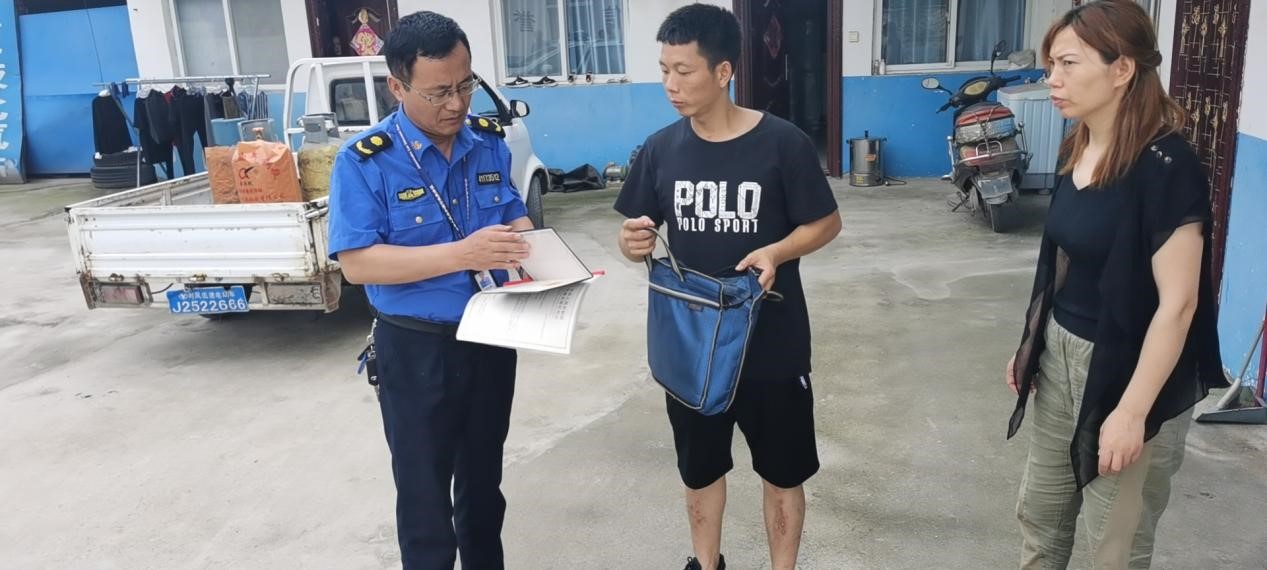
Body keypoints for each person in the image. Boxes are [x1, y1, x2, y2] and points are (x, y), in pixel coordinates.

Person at [614, 5, 842, 570]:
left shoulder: (782, 144)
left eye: (684, 71)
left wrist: (778, 251)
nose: (671, 85)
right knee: (700, 471)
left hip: (772, 342)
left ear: (722, 72)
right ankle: (705, 562)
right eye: (664, 70)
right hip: (693, 347)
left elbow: (826, 223)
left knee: (783, 474)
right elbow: (635, 231)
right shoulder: (660, 149)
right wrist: (631, 242)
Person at [1004, 2, 1223, 568]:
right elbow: (1064, 258)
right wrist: (1032, 340)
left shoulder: (1167, 167)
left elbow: (1179, 305)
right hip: (1061, 356)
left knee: (1114, 544)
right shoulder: (1077, 146)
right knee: (1041, 518)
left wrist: (1131, 412)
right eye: (1051, 65)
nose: (1052, 79)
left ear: (1122, 68)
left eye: (1068, 64)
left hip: (1133, 367)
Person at [326, 11, 533, 569]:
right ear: (397, 87)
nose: (456, 104)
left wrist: (544, 259)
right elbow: (358, 264)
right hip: (416, 349)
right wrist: (463, 255)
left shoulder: (487, 143)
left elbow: (512, 216)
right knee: (424, 504)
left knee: (483, 492)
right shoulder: (365, 160)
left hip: (491, 337)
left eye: (465, 85)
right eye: (439, 92)